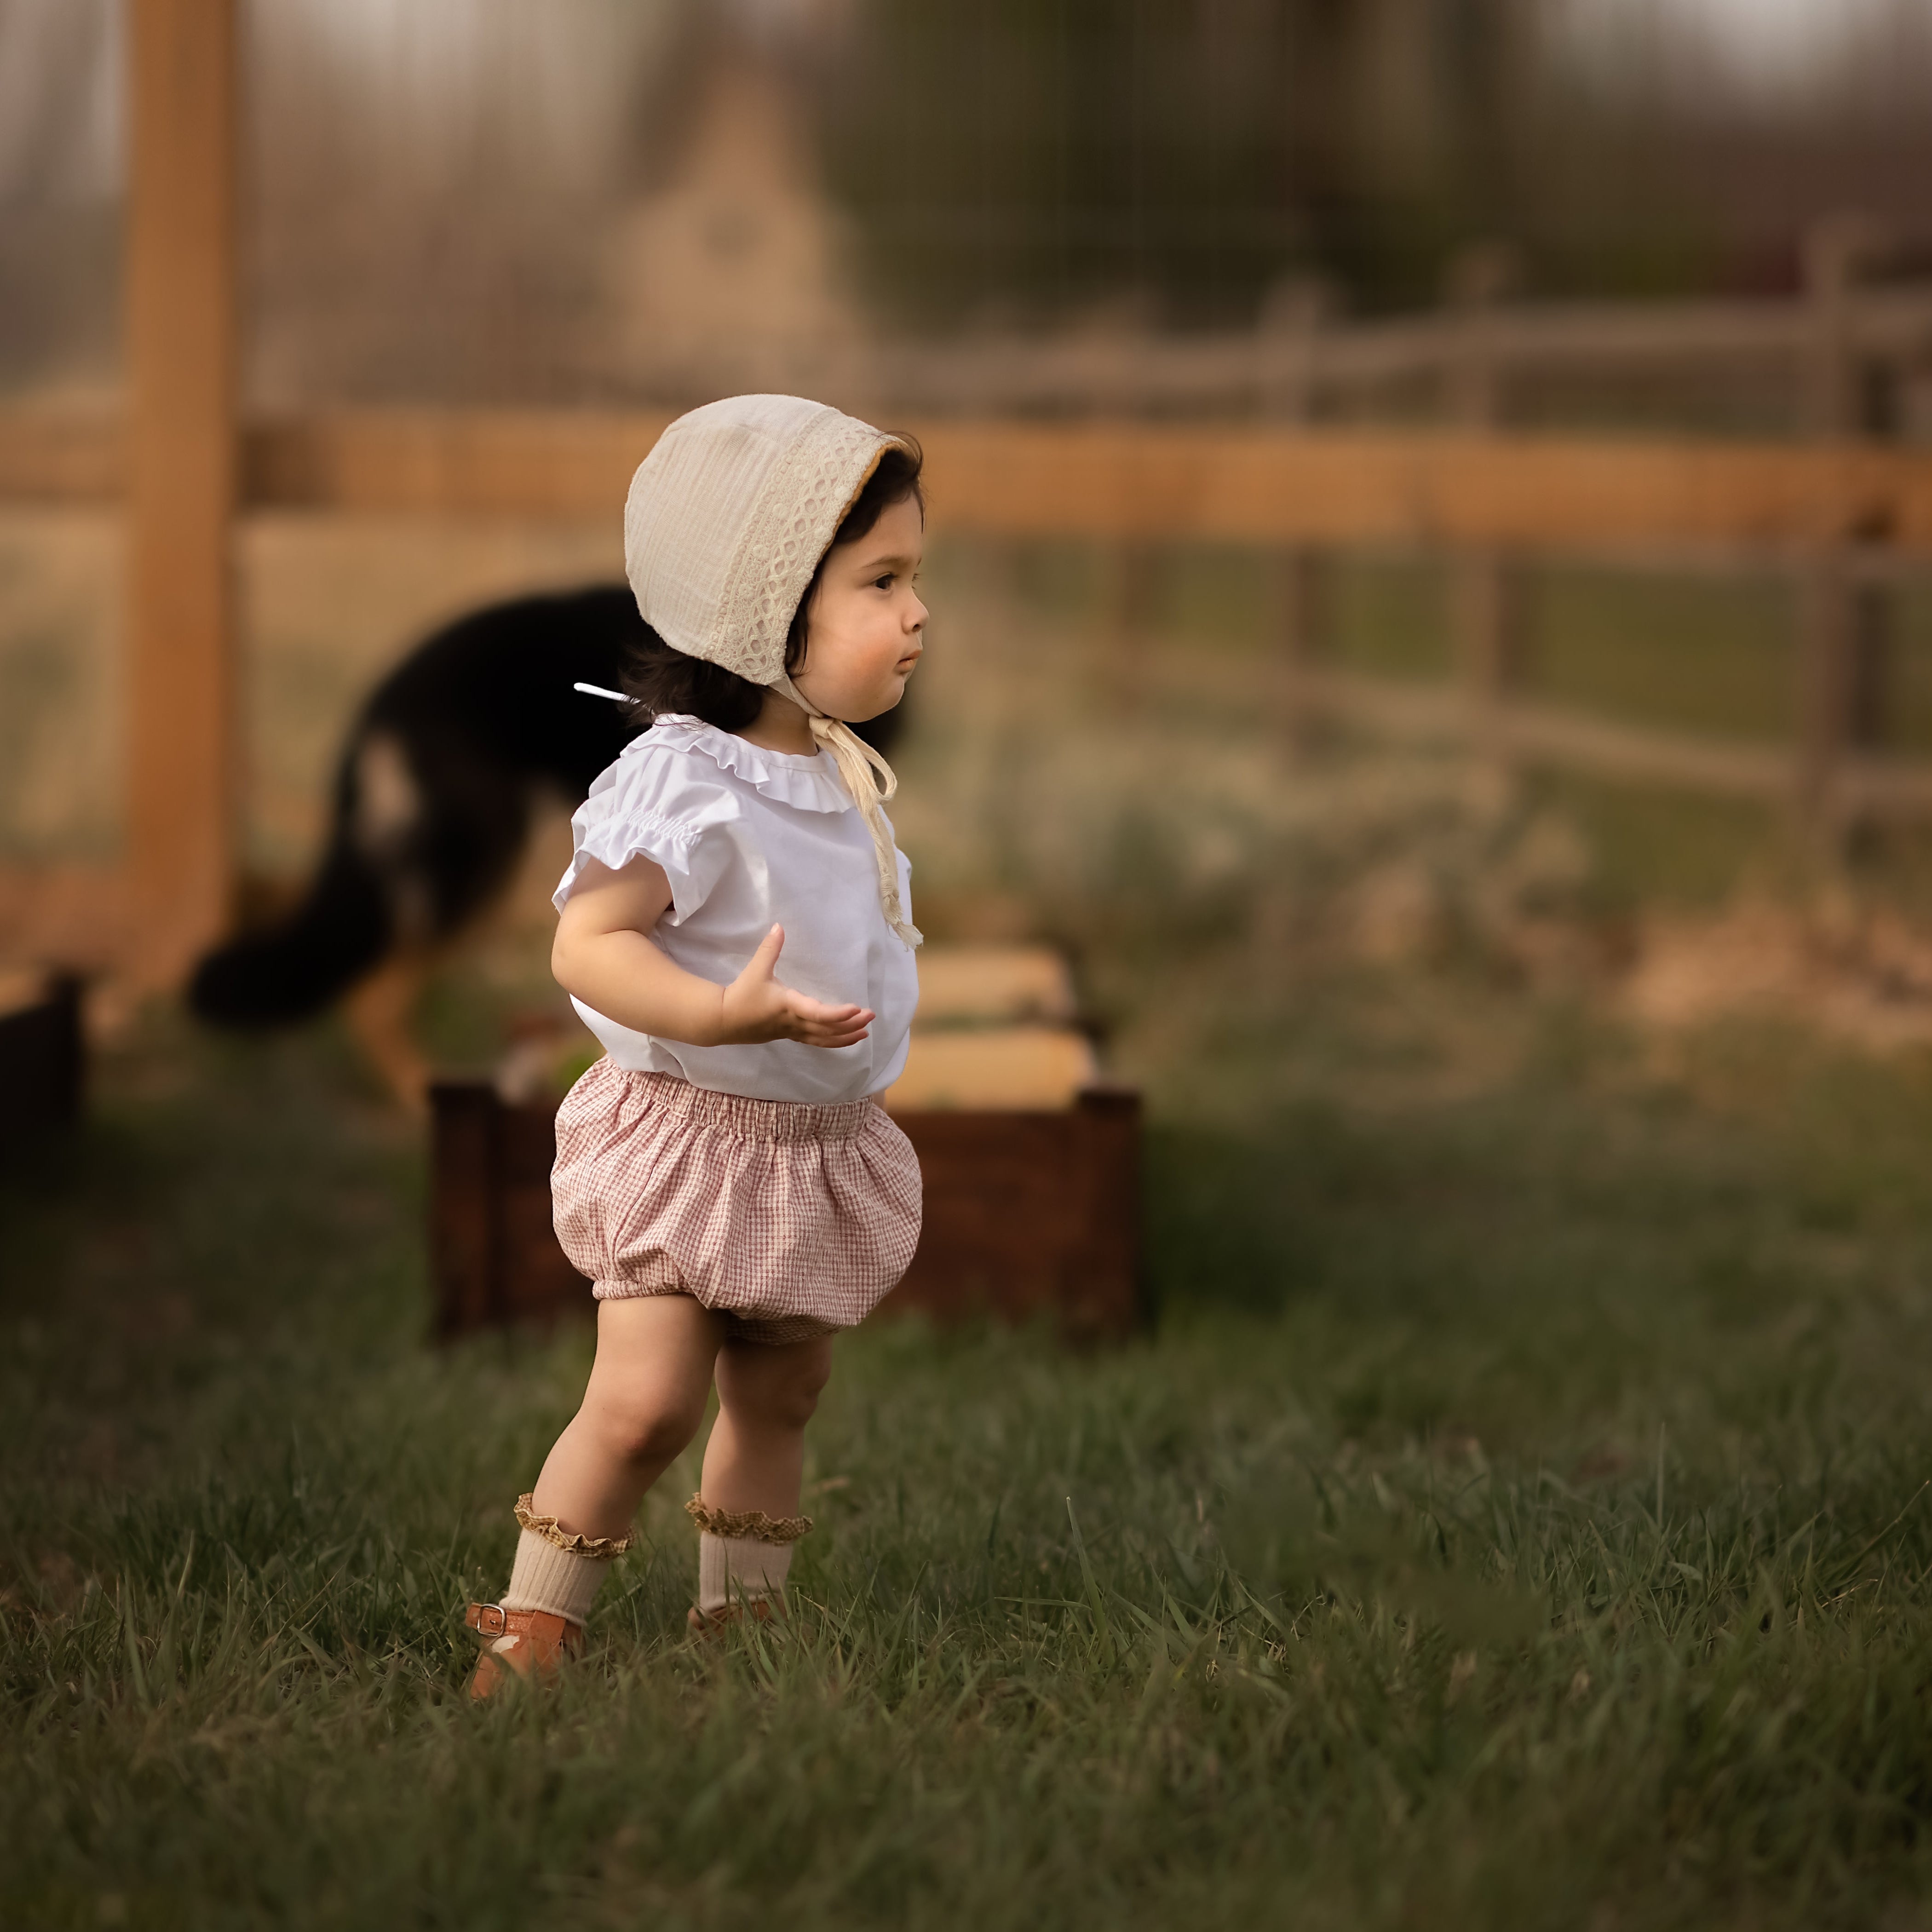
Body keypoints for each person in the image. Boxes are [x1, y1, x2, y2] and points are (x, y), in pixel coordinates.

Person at [464, 395, 928, 1699]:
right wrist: (721, 1013)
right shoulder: (686, 778)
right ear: (762, 608)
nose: (917, 615)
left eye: (913, 579)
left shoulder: (835, 770)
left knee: (782, 1397)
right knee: (646, 1405)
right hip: (693, 1139)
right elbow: (590, 943)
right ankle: (529, 1641)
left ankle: (742, 1635)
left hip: (810, 1147)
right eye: (882, 582)